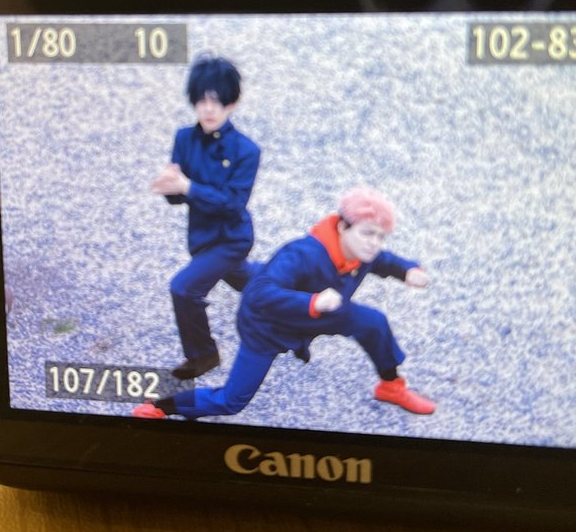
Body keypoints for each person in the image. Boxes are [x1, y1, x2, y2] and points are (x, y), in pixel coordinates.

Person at [134, 187, 435, 420]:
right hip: (267, 325)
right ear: (343, 227)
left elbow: (384, 260)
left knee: (373, 322)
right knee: (232, 401)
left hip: (321, 313)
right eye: (368, 233)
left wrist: (407, 270)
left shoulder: (362, 253)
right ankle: (162, 405)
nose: (374, 243)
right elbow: (259, 294)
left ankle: (390, 385)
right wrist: (313, 302)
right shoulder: (302, 254)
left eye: (381, 236)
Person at [149, 54, 260, 380]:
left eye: (217, 101)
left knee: (183, 289)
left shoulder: (247, 151)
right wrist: (169, 186)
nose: (209, 109)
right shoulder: (184, 139)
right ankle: (289, 286)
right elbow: (177, 197)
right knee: (252, 280)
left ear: (232, 104)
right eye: (202, 101)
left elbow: (233, 204)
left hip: (231, 238)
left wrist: (188, 186)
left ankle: (204, 355)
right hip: (201, 238)